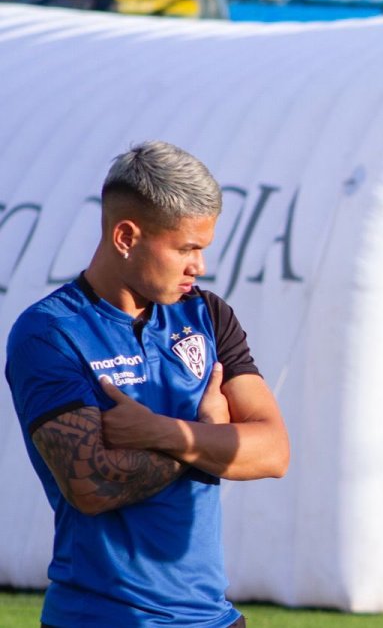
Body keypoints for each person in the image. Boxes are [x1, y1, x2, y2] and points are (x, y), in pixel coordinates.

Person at [6, 141, 290, 627]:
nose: (198, 266)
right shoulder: (49, 333)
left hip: (213, 618)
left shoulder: (208, 315)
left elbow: (272, 452)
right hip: (100, 618)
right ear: (125, 237)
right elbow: (90, 484)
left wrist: (161, 432)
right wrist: (208, 435)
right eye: (186, 248)